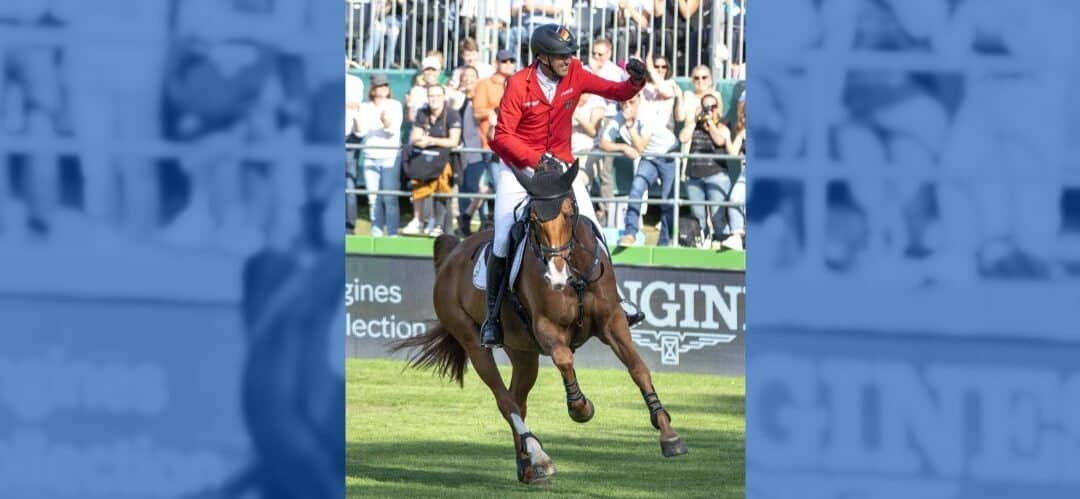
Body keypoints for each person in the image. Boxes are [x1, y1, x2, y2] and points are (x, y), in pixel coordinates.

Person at [483, 23, 647, 349]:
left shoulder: (575, 74)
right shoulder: (518, 84)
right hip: (520, 171)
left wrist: (636, 80)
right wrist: (534, 158)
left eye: (570, 53)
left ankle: (617, 302)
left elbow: (616, 92)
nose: (568, 60)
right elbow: (500, 137)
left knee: (595, 228)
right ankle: (492, 318)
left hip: (561, 171)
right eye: (561, 55)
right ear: (542, 57)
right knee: (502, 237)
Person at [605, 94, 679, 247]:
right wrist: (623, 147)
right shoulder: (619, 116)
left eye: (631, 101)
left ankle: (664, 242)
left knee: (668, 199)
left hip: (668, 154)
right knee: (636, 189)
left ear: (639, 99)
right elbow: (603, 143)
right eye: (624, 101)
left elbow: (640, 147)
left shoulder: (647, 113)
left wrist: (630, 126)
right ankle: (630, 234)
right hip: (649, 157)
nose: (627, 106)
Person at [679, 93, 743, 249]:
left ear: (718, 109)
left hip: (717, 176)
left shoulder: (723, 124)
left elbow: (720, 140)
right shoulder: (694, 124)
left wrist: (710, 123)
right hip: (694, 176)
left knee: (718, 216)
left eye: (712, 107)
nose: (709, 110)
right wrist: (695, 120)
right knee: (699, 217)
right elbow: (682, 138)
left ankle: (724, 245)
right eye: (705, 107)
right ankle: (702, 245)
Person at [406, 84, 461, 237]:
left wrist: (429, 140)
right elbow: (415, 137)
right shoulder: (422, 112)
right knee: (417, 179)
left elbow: (453, 141)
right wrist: (426, 141)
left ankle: (439, 224)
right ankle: (418, 220)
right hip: (425, 159)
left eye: (437, 95)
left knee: (442, 185)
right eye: (431, 96)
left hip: (445, 160)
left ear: (444, 97)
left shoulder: (452, 114)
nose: (434, 99)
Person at [357, 74, 404, 237]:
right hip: (370, 156)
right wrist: (355, 116)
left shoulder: (395, 105)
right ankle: (376, 232)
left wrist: (385, 121)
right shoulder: (365, 107)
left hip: (390, 157)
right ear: (373, 89)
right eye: (379, 86)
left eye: (385, 85)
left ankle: (392, 233)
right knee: (373, 199)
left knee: (390, 198)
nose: (382, 88)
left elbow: (392, 131)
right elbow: (360, 131)